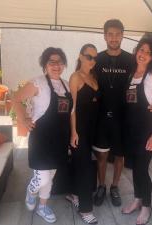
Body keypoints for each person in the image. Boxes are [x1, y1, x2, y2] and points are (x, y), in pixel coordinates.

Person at [12, 47, 72, 224]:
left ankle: (42, 206)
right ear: (45, 65)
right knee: (42, 177)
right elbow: (15, 98)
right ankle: (31, 192)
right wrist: (23, 119)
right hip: (41, 138)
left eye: (59, 61)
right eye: (51, 62)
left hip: (61, 138)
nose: (56, 65)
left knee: (51, 176)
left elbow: (71, 113)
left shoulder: (67, 85)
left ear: (64, 65)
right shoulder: (37, 83)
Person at [121, 38, 152, 225]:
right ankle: (137, 200)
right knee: (134, 168)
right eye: (141, 50)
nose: (143, 54)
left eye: (148, 52)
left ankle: (146, 206)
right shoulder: (132, 73)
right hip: (131, 131)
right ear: (136, 51)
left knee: (142, 170)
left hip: (147, 133)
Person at [92, 19, 133, 207]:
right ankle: (101, 186)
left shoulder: (131, 60)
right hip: (100, 116)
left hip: (123, 117)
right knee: (101, 155)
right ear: (105, 36)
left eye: (117, 34)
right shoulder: (97, 59)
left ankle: (114, 187)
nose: (114, 38)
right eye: (110, 34)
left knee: (120, 155)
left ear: (122, 35)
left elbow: (142, 84)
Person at [66, 44, 99, 224]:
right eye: (89, 57)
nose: (92, 61)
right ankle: (85, 209)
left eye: (95, 58)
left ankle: (73, 194)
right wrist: (73, 133)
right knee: (86, 169)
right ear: (80, 56)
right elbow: (72, 109)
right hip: (80, 131)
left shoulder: (93, 77)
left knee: (81, 165)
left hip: (94, 129)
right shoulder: (75, 77)